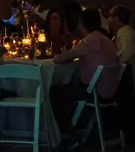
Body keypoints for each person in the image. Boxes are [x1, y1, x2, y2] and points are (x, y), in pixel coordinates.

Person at [49, 8, 121, 143]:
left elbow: (60, 59)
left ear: (81, 23)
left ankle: (66, 133)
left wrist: (59, 56)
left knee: (55, 91)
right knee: (69, 87)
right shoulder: (106, 40)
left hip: (94, 91)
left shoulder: (89, 41)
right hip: (111, 91)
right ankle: (74, 128)